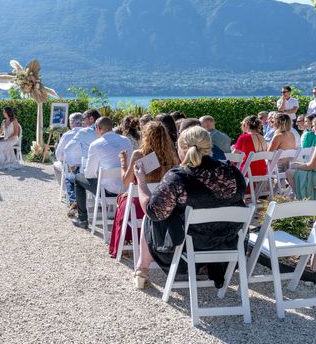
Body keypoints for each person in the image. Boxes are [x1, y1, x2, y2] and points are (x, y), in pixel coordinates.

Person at [135, 126, 246, 289]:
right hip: (226, 242)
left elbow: (153, 212)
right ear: (209, 147)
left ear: (181, 149)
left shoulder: (177, 177)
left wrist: (141, 182)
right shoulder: (234, 173)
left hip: (189, 244)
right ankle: (207, 267)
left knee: (149, 217)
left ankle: (141, 268)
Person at [109, 121, 178, 260]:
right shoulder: (173, 156)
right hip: (165, 204)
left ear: (145, 136)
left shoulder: (138, 155)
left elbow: (126, 181)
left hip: (140, 205)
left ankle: (124, 245)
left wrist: (123, 163)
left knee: (122, 201)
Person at [71, 117, 133, 229]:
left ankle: (83, 219)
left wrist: (99, 173)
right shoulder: (126, 140)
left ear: (98, 128)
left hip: (108, 191)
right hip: (127, 188)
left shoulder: (96, 144)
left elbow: (89, 175)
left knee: (78, 178)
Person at [53, 112, 83, 216]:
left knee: (58, 166)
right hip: (86, 168)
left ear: (72, 123)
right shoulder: (88, 133)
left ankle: (67, 193)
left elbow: (59, 155)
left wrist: (63, 161)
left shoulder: (67, 135)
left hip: (71, 168)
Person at [64, 109, 102, 175]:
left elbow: (67, 149)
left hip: (88, 173)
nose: (82, 122)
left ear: (91, 118)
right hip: (103, 172)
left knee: (69, 179)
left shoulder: (83, 132)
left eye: (84, 118)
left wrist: (71, 165)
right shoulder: (106, 132)